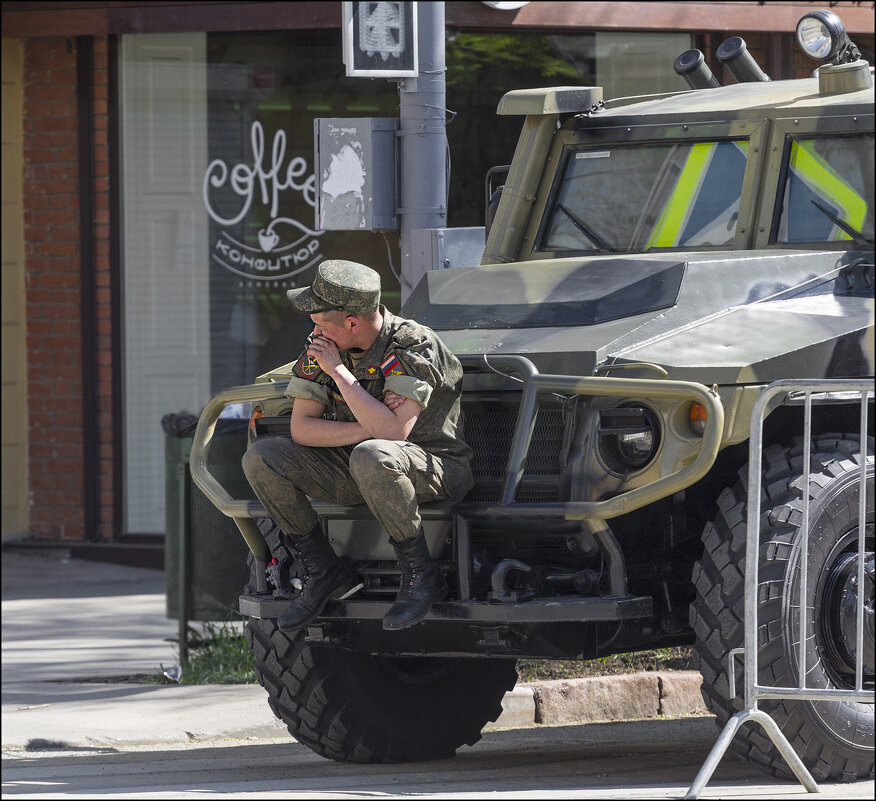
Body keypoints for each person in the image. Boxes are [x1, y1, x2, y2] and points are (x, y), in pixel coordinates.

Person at [242, 259, 474, 633]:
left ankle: (420, 574)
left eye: (320, 322)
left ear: (352, 323)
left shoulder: (412, 344)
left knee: (374, 454)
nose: (313, 330)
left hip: (433, 466)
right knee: (263, 458)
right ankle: (323, 571)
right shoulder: (323, 345)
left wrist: (339, 372)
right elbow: (302, 429)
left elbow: (395, 434)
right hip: (360, 465)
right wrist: (369, 425)